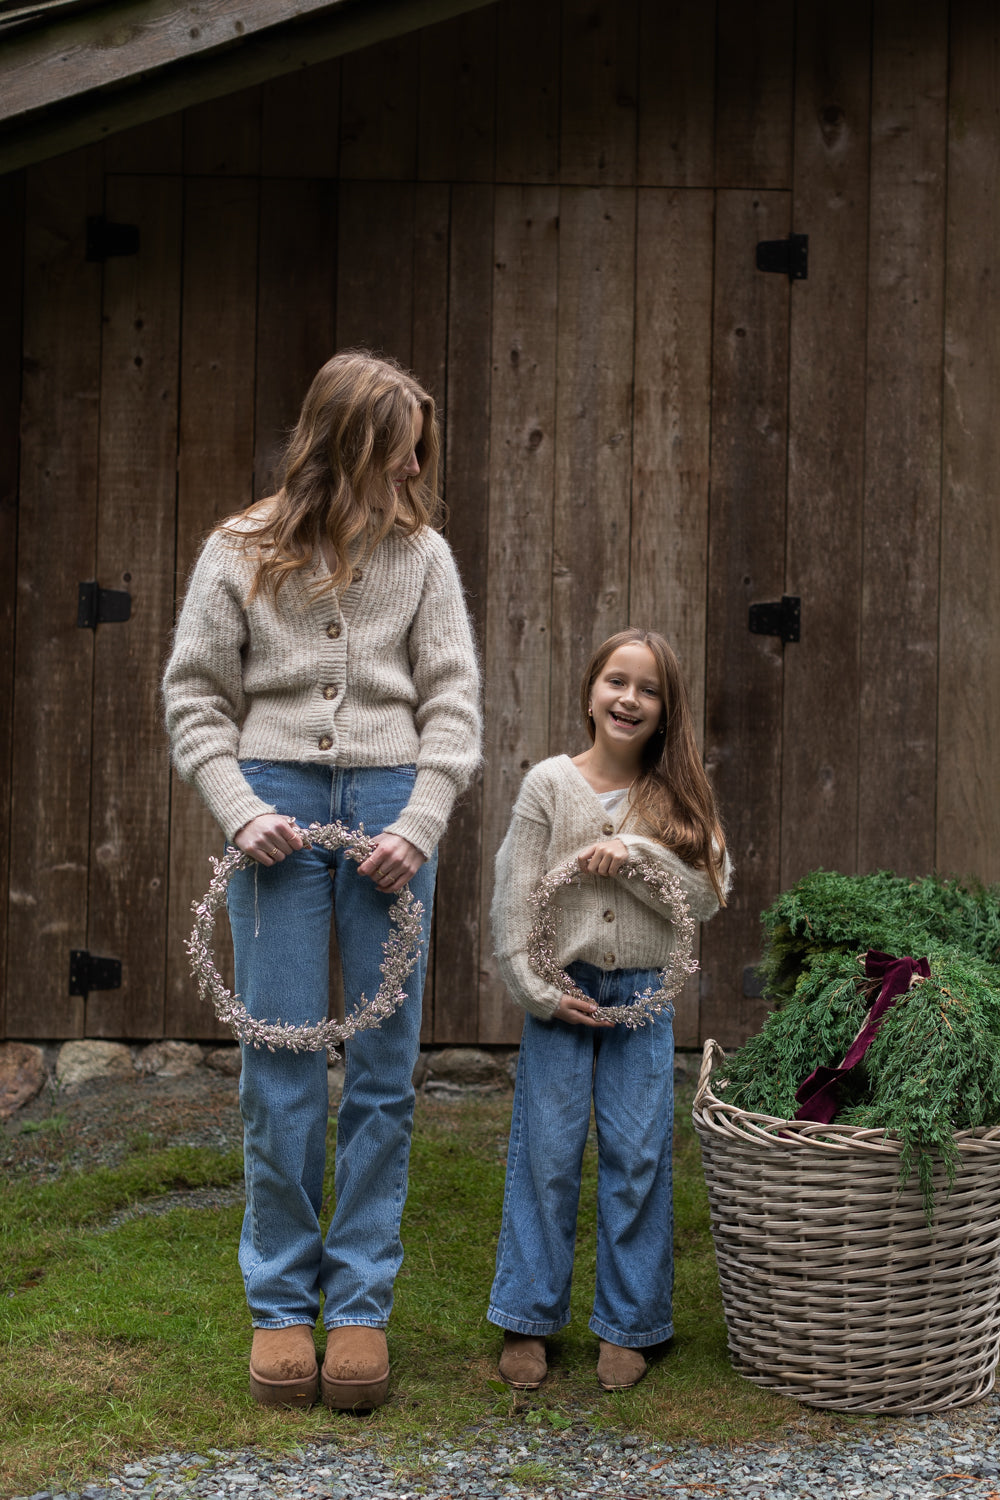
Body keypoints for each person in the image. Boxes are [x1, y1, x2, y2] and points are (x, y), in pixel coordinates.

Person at [163, 350, 481, 1410]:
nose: (413, 473)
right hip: (273, 809)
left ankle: (359, 1304)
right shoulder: (238, 551)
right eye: (397, 454)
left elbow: (453, 707)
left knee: (384, 1070)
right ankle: (279, 1303)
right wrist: (242, 809)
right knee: (280, 1059)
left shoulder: (426, 558)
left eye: (417, 455)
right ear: (342, 448)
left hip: (394, 807)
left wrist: (423, 821)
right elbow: (195, 699)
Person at [487, 629, 729, 1392]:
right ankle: (527, 1317)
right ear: (591, 692)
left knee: (638, 1155)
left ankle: (630, 1323)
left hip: (642, 999)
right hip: (564, 993)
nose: (630, 699)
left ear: (665, 711)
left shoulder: (677, 795)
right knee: (547, 1153)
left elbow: (709, 894)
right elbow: (514, 900)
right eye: (617, 683)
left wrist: (639, 857)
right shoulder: (549, 786)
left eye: (648, 690)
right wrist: (537, 990)